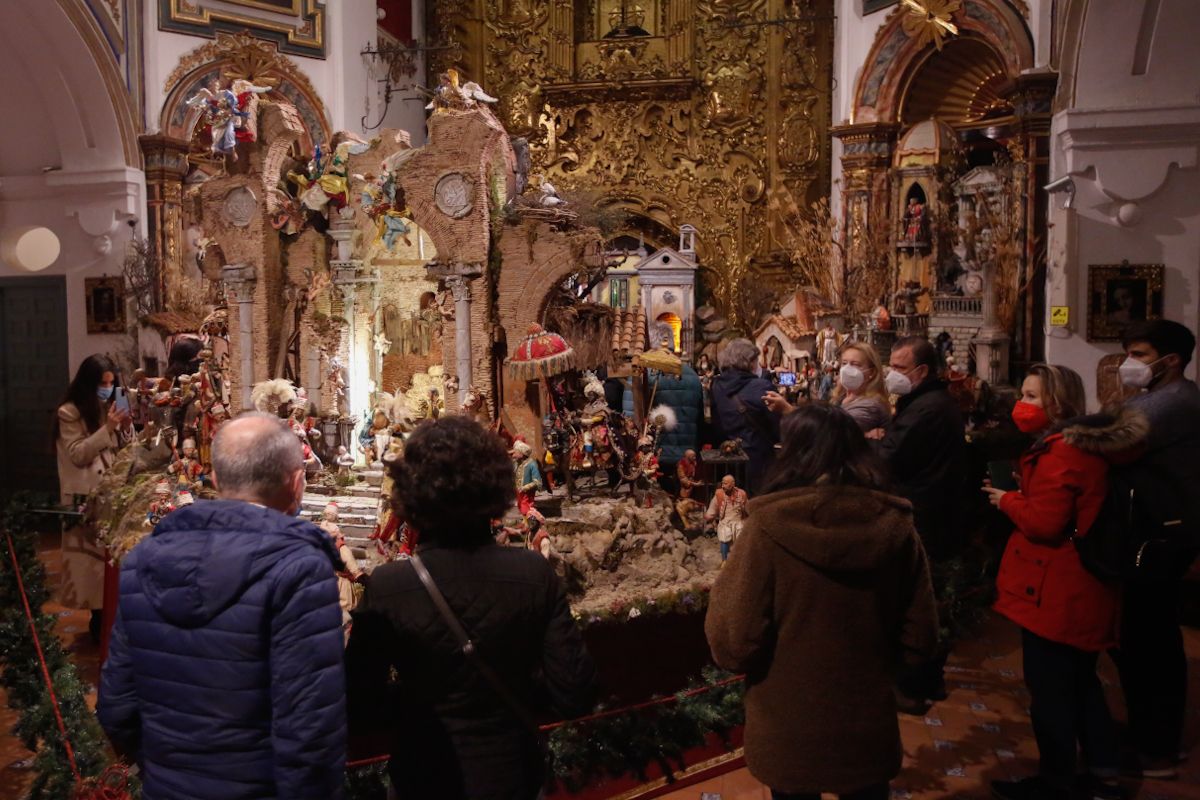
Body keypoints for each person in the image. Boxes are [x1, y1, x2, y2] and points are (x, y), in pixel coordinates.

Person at [97, 413, 346, 800]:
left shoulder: (142, 560)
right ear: (297, 484)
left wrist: (165, 771)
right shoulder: (299, 569)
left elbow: (115, 706)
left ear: (214, 480)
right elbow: (309, 729)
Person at [346, 416, 595, 800]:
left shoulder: (389, 586)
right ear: (493, 485)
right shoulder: (534, 574)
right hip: (511, 772)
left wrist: (420, 704)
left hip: (423, 775)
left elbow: (359, 703)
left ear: (411, 491)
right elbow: (574, 692)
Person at [706, 404, 938, 800]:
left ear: (791, 452)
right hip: (866, 721)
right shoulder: (895, 526)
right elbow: (921, 636)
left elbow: (733, 640)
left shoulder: (766, 528)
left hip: (787, 721)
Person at [982, 365, 1146, 800]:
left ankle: (1057, 781)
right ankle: (1102, 771)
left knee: (1052, 691)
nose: (1023, 404)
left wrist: (1009, 500)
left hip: (1057, 587)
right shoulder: (1078, 446)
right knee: (1081, 682)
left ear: (1059, 402)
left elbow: (1045, 522)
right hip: (1079, 584)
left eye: (1032, 396)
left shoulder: (1064, 452)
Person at [1113, 319, 1200, 779]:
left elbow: (1117, 443)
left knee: (1150, 642)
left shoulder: (1174, 402)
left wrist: (1064, 429)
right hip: (1153, 530)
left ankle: (1157, 747)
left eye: (1140, 355)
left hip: (1161, 536)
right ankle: (1154, 734)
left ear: (1172, 361)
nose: (1130, 363)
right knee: (1147, 638)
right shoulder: (1160, 397)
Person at [54, 354, 130, 641]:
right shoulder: (69, 412)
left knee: (107, 565)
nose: (108, 389)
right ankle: (98, 622)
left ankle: (108, 619)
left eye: (112, 383)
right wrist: (108, 428)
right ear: (89, 383)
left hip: (109, 492)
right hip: (85, 496)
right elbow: (78, 454)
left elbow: (122, 446)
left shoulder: (110, 404)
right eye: (103, 383)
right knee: (91, 568)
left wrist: (123, 427)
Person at [874, 336, 966, 559]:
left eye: (900, 368)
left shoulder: (926, 409)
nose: (892, 374)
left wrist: (869, 443)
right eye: (891, 367)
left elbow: (890, 457)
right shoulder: (925, 401)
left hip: (924, 510)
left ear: (922, 371)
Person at [711, 338, 780, 493]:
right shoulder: (762, 387)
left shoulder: (716, 386)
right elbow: (778, 429)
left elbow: (717, 426)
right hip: (758, 462)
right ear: (749, 362)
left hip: (727, 461)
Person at [832, 342, 892, 432]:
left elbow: (836, 434)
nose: (847, 369)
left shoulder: (871, 405)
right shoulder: (844, 395)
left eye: (855, 364)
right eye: (844, 363)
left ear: (872, 372)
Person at [706, 473, 748, 561]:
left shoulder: (742, 494)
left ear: (732, 484)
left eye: (725, 483)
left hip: (738, 521)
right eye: (722, 483)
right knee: (724, 535)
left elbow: (747, 507)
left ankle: (739, 560)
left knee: (741, 539)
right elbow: (714, 506)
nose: (723, 486)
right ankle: (724, 560)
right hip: (725, 522)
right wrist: (710, 515)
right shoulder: (719, 494)